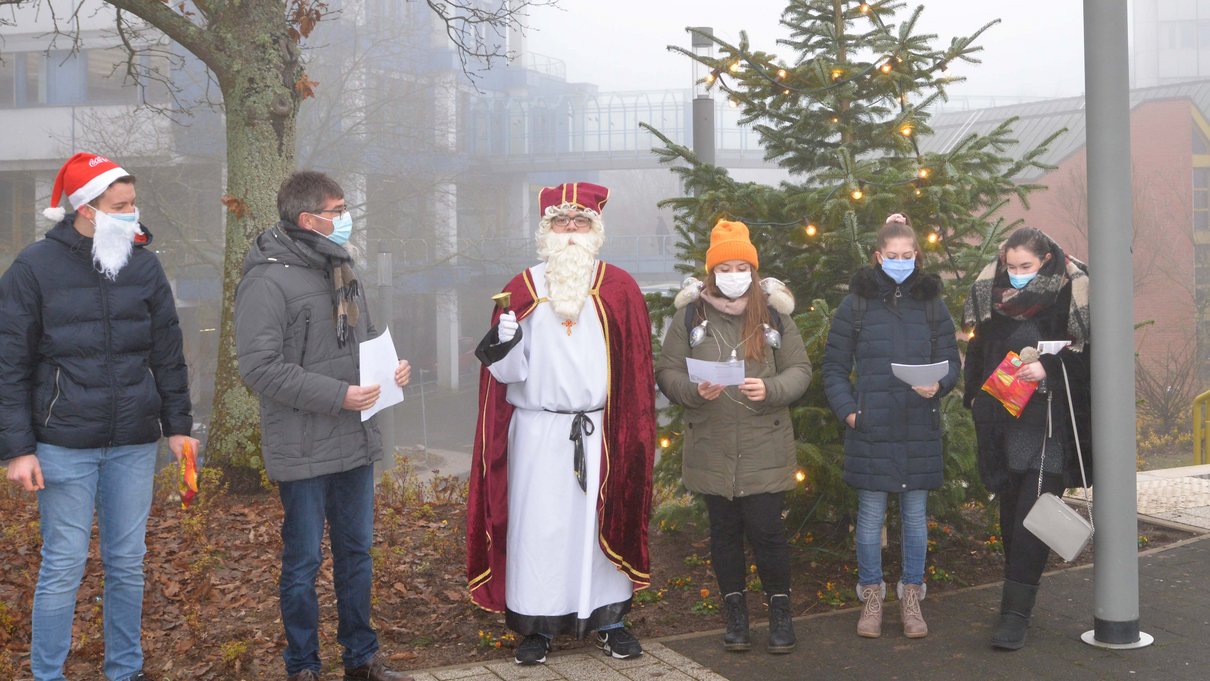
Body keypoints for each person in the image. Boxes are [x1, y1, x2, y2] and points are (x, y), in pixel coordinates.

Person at [0, 152, 198, 681]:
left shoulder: (144, 265)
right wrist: (17, 449)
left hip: (135, 442)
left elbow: (167, 353)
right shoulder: (33, 268)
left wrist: (179, 426)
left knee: (127, 565)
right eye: (122, 205)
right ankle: (47, 675)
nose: (134, 214)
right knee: (63, 567)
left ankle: (124, 671)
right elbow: (9, 364)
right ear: (86, 209)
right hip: (63, 444)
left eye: (133, 203)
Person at [467, 182, 656, 665]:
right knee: (540, 528)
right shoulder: (521, 289)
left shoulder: (620, 288)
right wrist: (505, 343)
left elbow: (636, 372)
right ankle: (536, 625)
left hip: (601, 433)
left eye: (580, 222)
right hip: (538, 433)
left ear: (596, 230)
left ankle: (609, 620)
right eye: (560, 221)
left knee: (599, 522)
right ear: (544, 230)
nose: (570, 231)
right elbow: (508, 377)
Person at [234, 171, 413, 681]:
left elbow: (370, 337)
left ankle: (361, 658)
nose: (345, 218)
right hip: (304, 447)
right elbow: (259, 368)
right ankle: (303, 666)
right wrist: (338, 396)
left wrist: (393, 367)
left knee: (356, 553)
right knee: (304, 563)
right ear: (309, 219)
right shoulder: (266, 280)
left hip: (354, 441)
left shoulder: (344, 267)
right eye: (337, 210)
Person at [655, 219, 812, 654]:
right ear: (711, 273)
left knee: (767, 533)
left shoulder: (774, 313)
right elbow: (666, 371)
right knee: (723, 534)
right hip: (712, 444)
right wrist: (692, 391)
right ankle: (736, 618)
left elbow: (800, 370)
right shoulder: (689, 316)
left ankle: (780, 614)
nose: (734, 274)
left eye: (742, 266)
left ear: (753, 271)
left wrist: (772, 389)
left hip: (766, 443)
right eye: (725, 267)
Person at [821, 213, 961, 640]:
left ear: (916, 257)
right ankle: (872, 595)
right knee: (870, 517)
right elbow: (833, 369)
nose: (899, 262)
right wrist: (851, 412)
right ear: (878, 256)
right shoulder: (856, 304)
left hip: (919, 423)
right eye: (892, 256)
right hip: (872, 427)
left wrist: (939, 385)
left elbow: (953, 362)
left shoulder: (932, 304)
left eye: (907, 255)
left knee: (916, 518)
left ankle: (912, 594)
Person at [962, 226, 1091, 650]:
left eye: (1026, 266)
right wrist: (977, 398)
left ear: (1045, 262)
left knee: (1031, 519)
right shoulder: (992, 299)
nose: (1016, 274)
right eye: (1010, 266)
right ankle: (1015, 597)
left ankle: (1015, 615)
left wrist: (1049, 371)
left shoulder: (1072, 295)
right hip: (1004, 426)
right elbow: (978, 356)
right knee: (1010, 517)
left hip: (1050, 430)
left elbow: (1091, 360)